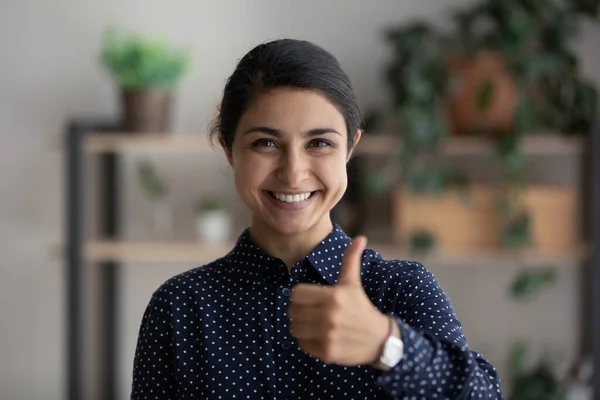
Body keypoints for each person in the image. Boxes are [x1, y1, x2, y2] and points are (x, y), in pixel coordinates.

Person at [131, 39, 505, 399]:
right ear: (229, 150)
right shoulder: (179, 307)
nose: (293, 173)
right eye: (266, 143)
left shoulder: (400, 290)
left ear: (350, 148)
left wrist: (386, 345)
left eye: (319, 143)